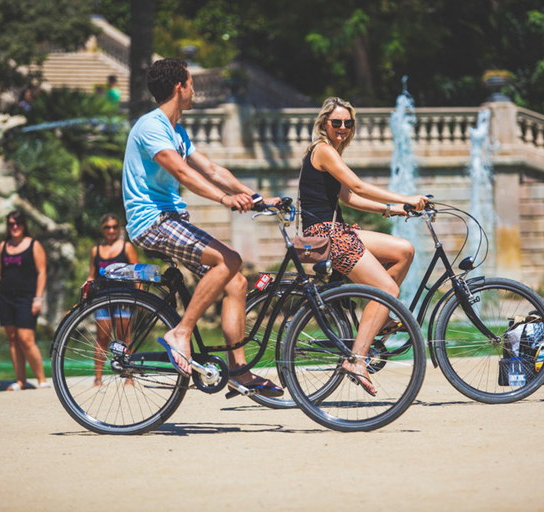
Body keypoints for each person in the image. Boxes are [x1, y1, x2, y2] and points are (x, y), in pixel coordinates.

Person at [122, 58, 282, 396]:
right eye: (191, 83)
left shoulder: (176, 130)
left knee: (236, 281)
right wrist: (225, 200)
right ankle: (180, 332)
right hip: (153, 219)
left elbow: (211, 168)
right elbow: (183, 174)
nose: (194, 89)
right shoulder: (151, 126)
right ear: (179, 86)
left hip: (171, 218)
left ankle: (238, 371)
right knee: (230, 260)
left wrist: (256, 197)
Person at [298, 96, 428, 395]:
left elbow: (348, 199)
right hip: (326, 233)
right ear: (324, 124)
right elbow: (358, 186)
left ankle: (379, 321)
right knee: (388, 290)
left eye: (348, 123)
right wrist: (405, 197)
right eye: (336, 123)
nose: (342, 127)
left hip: (336, 228)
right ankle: (356, 360)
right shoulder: (323, 150)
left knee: (403, 250)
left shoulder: (332, 153)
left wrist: (394, 210)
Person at [0, 211, 50, 390]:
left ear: (24, 225)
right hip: (5, 298)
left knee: (26, 339)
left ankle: (41, 379)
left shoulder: (34, 245)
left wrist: (38, 298)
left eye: (18, 223)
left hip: (27, 297)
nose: (15, 227)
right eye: (11, 224)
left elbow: (42, 272)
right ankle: (20, 380)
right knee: (13, 339)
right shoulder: (3, 246)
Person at [86, 213, 138, 386]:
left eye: (115, 227)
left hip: (124, 297)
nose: (111, 230)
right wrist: (86, 289)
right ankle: (98, 377)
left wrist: (140, 296)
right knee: (102, 337)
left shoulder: (127, 247)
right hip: (103, 299)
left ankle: (128, 374)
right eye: (108, 227)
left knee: (124, 337)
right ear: (102, 229)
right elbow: (92, 275)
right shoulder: (96, 250)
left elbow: (136, 273)